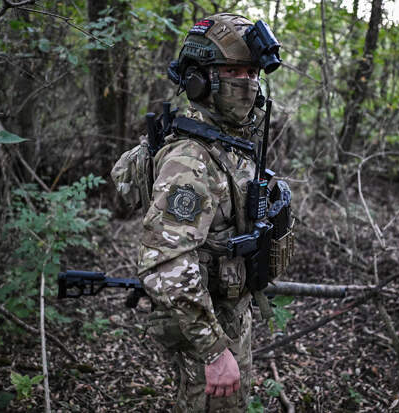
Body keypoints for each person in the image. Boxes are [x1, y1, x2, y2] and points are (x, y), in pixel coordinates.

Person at [114, 13, 291, 412]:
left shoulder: (229, 142)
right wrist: (214, 350)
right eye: (232, 71)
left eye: (251, 73)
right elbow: (166, 262)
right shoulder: (190, 158)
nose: (246, 83)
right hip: (206, 327)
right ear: (200, 80)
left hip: (229, 314)